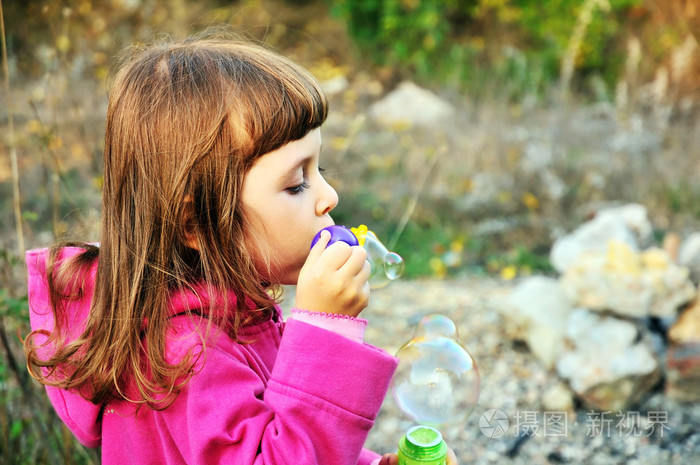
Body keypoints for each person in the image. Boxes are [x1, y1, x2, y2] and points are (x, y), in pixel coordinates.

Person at [23, 35, 432, 465]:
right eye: (296, 183)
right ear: (195, 224)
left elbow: (275, 432)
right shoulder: (184, 355)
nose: (329, 196)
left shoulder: (230, 314)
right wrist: (326, 330)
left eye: (320, 168)